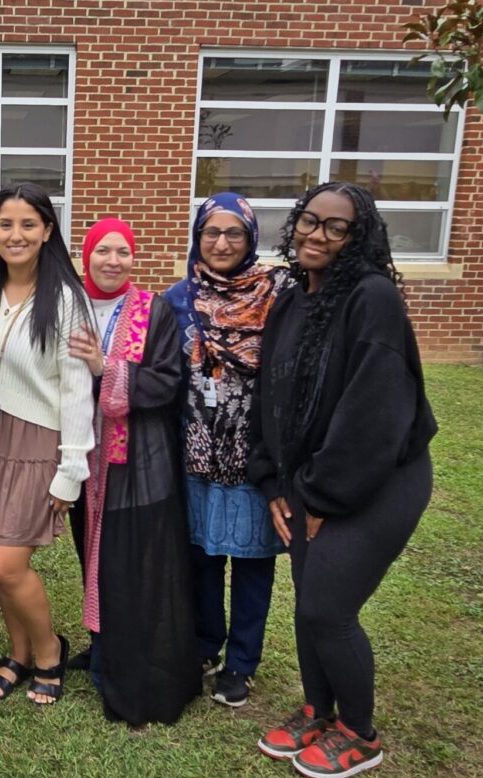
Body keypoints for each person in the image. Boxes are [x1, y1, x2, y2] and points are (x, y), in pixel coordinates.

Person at [249, 182, 437, 778]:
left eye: (336, 227)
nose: (317, 235)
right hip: (309, 479)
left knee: (328, 607)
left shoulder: (372, 297)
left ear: (359, 239)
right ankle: (319, 711)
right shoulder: (292, 299)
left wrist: (325, 496)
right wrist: (276, 483)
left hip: (379, 480)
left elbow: (374, 411)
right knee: (309, 605)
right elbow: (270, 397)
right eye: (309, 221)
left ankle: (359, 732)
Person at [66, 218, 200, 724]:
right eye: (104, 251)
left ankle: (133, 660)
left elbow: (167, 381)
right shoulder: (67, 304)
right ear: (87, 255)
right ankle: (102, 647)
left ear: (134, 258)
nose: (113, 261)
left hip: (139, 457)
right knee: (92, 551)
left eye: (123, 251)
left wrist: (107, 368)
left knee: (131, 559)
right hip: (82, 455)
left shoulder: (155, 310)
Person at [162, 192, 293, 708]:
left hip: (257, 456)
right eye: (210, 233)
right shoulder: (177, 299)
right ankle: (204, 644)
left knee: (254, 562)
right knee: (203, 556)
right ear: (197, 238)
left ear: (251, 238)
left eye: (233, 232)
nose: (220, 242)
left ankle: (242, 662)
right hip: (194, 451)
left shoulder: (279, 295)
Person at [0, 183, 93, 706]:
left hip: (35, 441)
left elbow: (76, 389)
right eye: (5, 224)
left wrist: (71, 470)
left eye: (27, 224)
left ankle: (48, 650)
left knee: (5, 563)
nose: (15, 234)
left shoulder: (66, 299)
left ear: (47, 231)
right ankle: (17, 652)